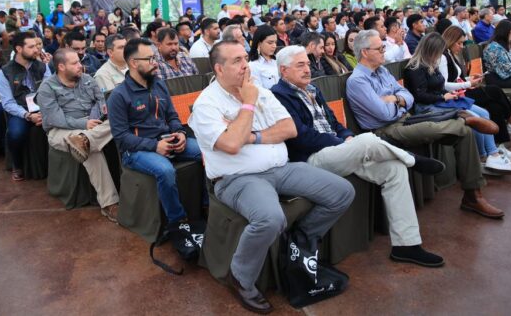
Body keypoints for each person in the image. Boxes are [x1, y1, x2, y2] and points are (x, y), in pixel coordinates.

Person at [189, 41, 354, 312]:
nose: (245, 65)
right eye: (236, 61)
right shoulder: (206, 104)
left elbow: (289, 129)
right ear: (219, 69)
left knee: (342, 191)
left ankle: (300, 240)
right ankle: (241, 278)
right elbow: (230, 145)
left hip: (280, 167)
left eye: (245, 58)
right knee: (270, 218)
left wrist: (249, 135)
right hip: (238, 178)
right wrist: (248, 105)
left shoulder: (261, 92)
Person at [271, 46, 444, 267]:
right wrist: (342, 142)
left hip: (338, 151)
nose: (307, 69)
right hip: (311, 159)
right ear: (284, 70)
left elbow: (335, 124)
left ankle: (406, 245)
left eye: (307, 63)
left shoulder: (313, 89)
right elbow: (301, 137)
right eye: (300, 65)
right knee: (368, 140)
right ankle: (413, 159)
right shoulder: (278, 96)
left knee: (394, 169)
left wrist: (347, 137)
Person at [346, 30, 504, 219]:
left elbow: (408, 97)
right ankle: (461, 117)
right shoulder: (357, 81)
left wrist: (394, 99)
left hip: (406, 118)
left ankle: (473, 195)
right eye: (379, 49)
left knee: (466, 133)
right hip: (385, 131)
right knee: (450, 127)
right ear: (365, 52)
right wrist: (399, 101)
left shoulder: (382, 71)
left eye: (383, 47)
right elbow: (383, 114)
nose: (384, 51)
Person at [107, 39, 203, 250]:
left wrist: (179, 133)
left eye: (154, 58)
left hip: (167, 139)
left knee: (206, 152)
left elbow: (172, 116)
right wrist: (154, 146)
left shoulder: (158, 84)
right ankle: (177, 222)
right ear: (134, 63)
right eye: (150, 59)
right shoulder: (118, 96)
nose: (156, 62)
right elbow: (121, 137)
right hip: (136, 151)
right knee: (165, 171)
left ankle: (205, 207)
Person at [403, 33, 511, 175]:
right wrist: (442, 97)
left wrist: (449, 95)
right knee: (474, 117)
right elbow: (419, 95)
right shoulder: (414, 68)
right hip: (428, 106)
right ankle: (484, 156)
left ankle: (491, 153)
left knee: (484, 113)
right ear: (430, 50)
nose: (440, 55)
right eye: (438, 51)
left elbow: (439, 86)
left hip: (441, 100)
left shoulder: (431, 64)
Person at [37, 48, 119, 222]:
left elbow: (101, 100)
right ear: (61, 67)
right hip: (60, 131)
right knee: (90, 149)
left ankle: (86, 139)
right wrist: (84, 124)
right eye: (74, 63)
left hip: (93, 126)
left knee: (118, 121)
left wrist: (94, 118)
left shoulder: (88, 79)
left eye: (79, 61)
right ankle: (110, 203)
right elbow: (55, 119)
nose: (80, 66)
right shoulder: (47, 88)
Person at [441, 26, 511, 151]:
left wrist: (470, 78)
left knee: (495, 107)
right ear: (450, 41)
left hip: (462, 89)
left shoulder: (451, 54)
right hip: (458, 95)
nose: (462, 46)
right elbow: (444, 84)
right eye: (459, 43)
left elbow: (456, 78)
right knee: (494, 91)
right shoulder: (443, 57)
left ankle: (500, 145)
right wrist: (468, 84)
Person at [0, 32, 51, 181]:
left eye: (37, 46)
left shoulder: (42, 67)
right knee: (16, 133)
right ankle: (17, 164)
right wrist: (27, 115)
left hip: (43, 108)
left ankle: (52, 165)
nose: (36, 50)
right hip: (21, 110)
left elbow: (50, 92)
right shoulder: (6, 71)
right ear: (19, 49)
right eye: (31, 47)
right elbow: (7, 102)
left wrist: (44, 112)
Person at [248, 24, 279, 89]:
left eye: (275, 42)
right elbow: (258, 91)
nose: (274, 46)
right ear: (259, 43)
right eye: (270, 43)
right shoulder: (253, 66)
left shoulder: (277, 60)